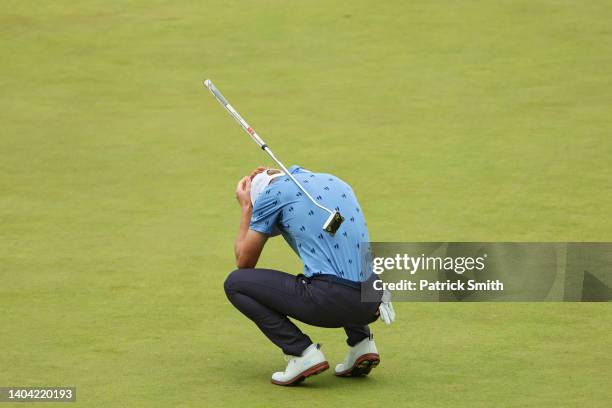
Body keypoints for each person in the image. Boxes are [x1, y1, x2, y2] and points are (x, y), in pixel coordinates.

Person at [223, 165, 394, 386]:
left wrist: (247, 207)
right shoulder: (333, 181)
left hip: (332, 300)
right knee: (338, 266)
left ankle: (301, 353)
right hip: (373, 298)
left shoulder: (272, 195)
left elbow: (244, 262)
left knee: (235, 283)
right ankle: (362, 344)